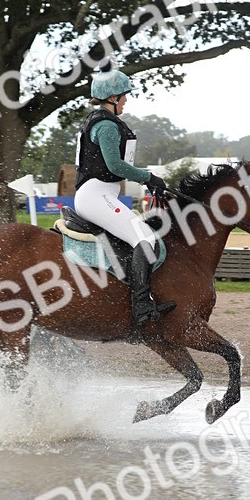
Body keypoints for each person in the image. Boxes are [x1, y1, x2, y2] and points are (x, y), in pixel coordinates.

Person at [74, 59, 176, 325]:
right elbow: (115, 166)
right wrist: (148, 177)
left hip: (102, 194)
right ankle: (142, 308)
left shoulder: (104, 121)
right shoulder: (106, 125)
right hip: (96, 195)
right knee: (145, 238)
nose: (127, 102)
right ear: (113, 96)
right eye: (125, 96)